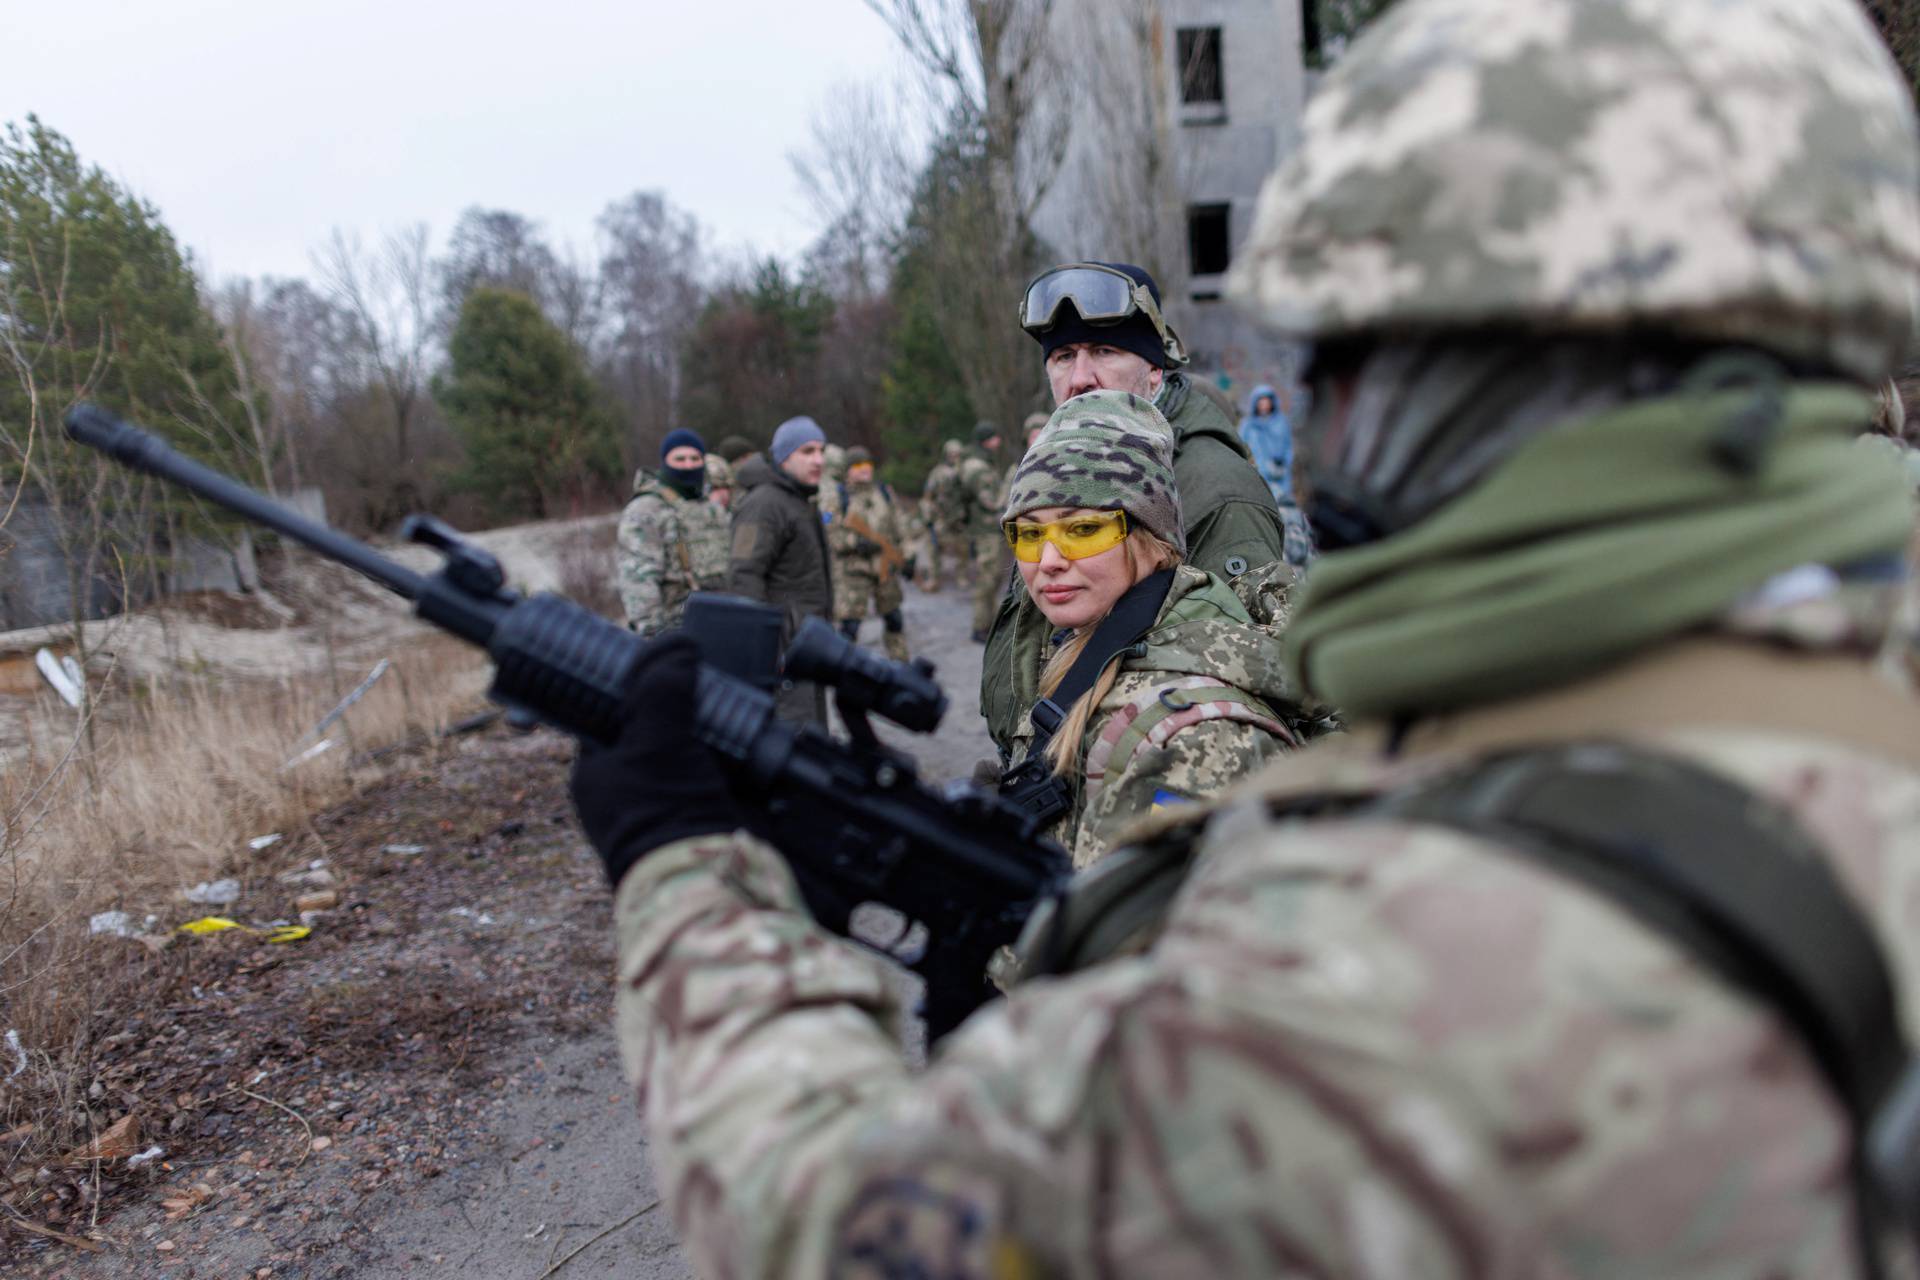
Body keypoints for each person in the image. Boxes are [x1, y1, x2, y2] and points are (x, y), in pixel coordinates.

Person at [570, 0, 1920, 1274]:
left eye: (1352, 356)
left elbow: (852, 1223)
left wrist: (692, 880)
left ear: (1450, 371)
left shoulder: (1386, 969)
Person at [980, 261, 1287, 755]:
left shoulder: (1214, 490)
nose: (1081, 378)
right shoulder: (1067, 465)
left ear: (1154, 368)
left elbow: (1246, 687)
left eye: (1105, 351)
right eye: (1062, 356)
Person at [997, 391, 1308, 868]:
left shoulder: (1197, 737)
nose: (1049, 561)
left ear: (1151, 537)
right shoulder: (1086, 649)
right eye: (1030, 534)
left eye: (1083, 529)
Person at [728, 415, 833, 723]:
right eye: (807, 451)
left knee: (814, 734)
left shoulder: (798, 498)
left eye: (821, 451)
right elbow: (743, 575)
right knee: (796, 738)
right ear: (784, 456)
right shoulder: (764, 504)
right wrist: (766, 650)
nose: (818, 460)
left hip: (809, 646)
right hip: (784, 653)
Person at [613, 428, 729, 636]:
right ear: (665, 463)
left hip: (721, 624)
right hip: (674, 630)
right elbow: (638, 581)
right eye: (680, 459)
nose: (689, 465)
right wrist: (655, 634)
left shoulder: (713, 509)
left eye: (695, 458)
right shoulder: (647, 509)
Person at [828, 445, 911, 662]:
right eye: (857, 465)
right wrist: (856, 542)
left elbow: (901, 525)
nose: (864, 469)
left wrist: (908, 555)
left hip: (885, 568)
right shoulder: (838, 497)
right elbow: (831, 534)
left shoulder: (884, 492)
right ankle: (844, 673)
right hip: (853, 572)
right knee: (849, 627)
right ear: (848, 470)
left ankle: (901, 669)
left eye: (867, 464)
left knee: (894, 619)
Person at [959, 422, 1007, 641]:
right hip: (984, 530)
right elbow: (988, 501)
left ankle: (987, 623)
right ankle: (979, 627)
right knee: (986, 578)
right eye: (995, 437)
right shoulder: (979, 467)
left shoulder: (977, 463)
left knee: (992, 577)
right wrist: (1007, 499)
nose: (998, 441)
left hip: (983, 529)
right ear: (987, 440)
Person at [918, 438, 965, 592]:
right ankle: (934, 577)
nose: (954, 457)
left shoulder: (965, 472)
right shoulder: (937, 473)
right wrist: (928, 516)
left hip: (960, 517)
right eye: (951, 454)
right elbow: (927, 497)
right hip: (941, 517)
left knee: (962, 548)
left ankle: (961, 576)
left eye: (957, 454)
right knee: (933, 546)